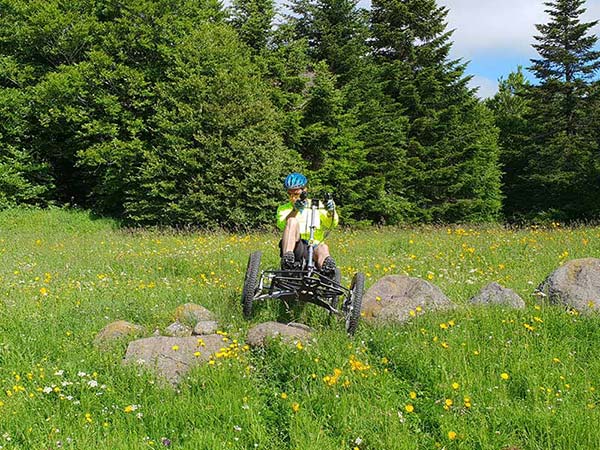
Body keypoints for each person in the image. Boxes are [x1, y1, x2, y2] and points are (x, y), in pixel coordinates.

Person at [276, 172, 339, 277]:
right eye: (289, 194)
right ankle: (287, 260)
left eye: (296, 194)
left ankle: (327, 273)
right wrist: (295, 210)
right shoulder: (283, 208)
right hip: (296, 246)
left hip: (314, 246)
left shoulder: (317, 206)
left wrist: (331, 211)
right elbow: (283, 225)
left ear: (304, 190)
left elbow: (331, 225)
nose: (292, 198)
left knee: (323, 247)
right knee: (292, 221)